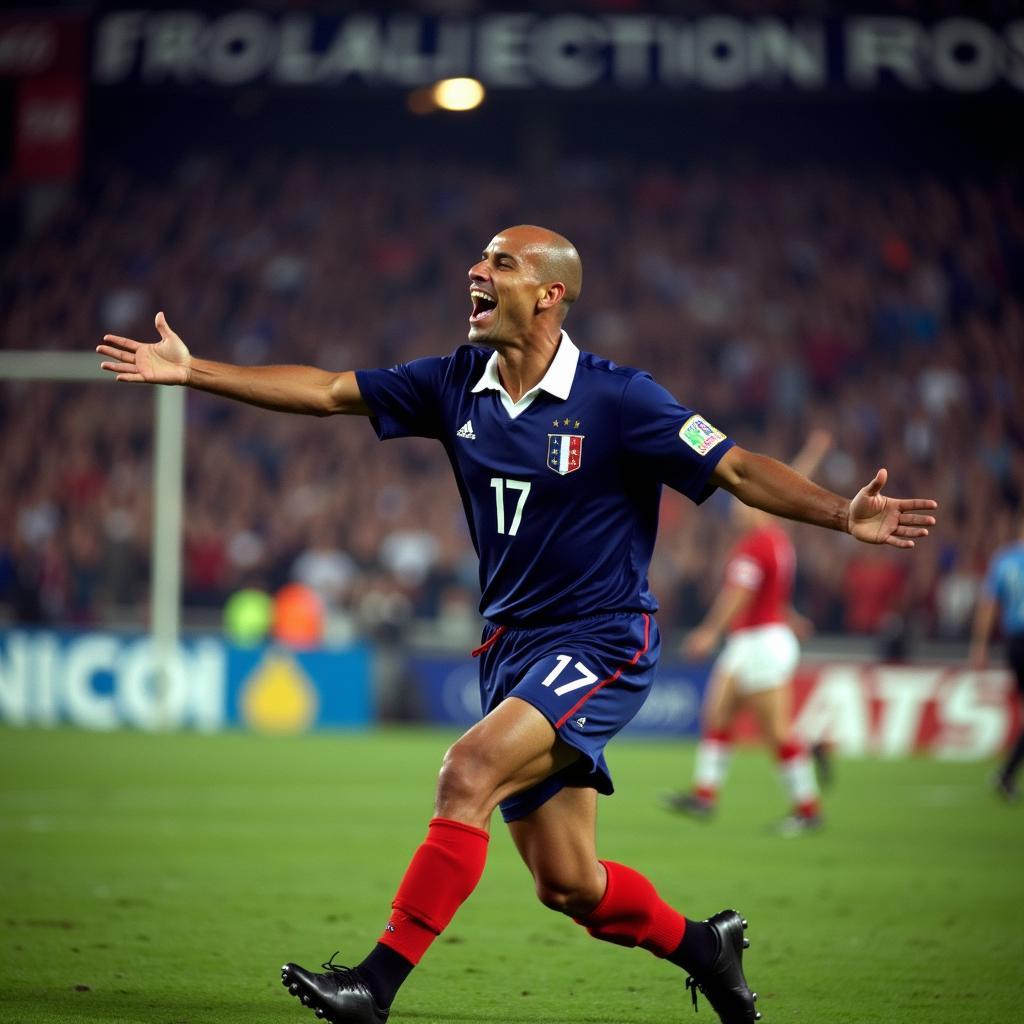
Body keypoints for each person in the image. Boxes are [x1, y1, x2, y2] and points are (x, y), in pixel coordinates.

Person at [97, 225, 938, 1024]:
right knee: (570, 885)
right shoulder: (455, 381)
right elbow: (324, 391)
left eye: (500, 262)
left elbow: (739, 466)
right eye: (480, 259)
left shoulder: (619, 397)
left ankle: (374, 986)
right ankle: (708, 949)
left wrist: (841, 514)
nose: (477, 271)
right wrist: (193, 370)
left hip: (603, 638)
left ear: (549, 294)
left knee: (466, 772)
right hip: (511, 647)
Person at [662, 430, 834, 835]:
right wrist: (812, 453)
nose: (736, 511)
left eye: (740, 504)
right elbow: (790, 486)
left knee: (774, 732)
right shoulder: (776, 539)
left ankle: (808, 809)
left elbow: (737, 596)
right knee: (718, 712)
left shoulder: (755, 545)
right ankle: (705, 795)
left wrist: (707, 632)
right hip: (760, 639)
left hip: (759, 642)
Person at [969, 514, 1024, 801]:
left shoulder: (1004, 560)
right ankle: (1006, 773)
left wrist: (980, 645)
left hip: (1015, 643)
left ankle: (1007, 773)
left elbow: (989, 604)